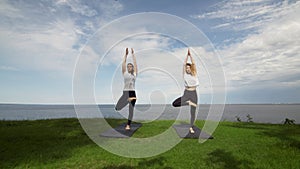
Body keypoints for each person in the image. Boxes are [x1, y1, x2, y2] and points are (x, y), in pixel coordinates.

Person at [172, 49, 199, 134]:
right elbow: (184, 64)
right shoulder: (185, 75)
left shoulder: (194, 73)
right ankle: (188, 103)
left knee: (193, 113)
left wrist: (191, 55)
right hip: (186, 94)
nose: (187, 69)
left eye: (188, 68)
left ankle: (191, 127)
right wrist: (186, 56)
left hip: (194, 94)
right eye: (186, 68)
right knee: (174, 104)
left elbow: (193, 63)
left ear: (191, 68)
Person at [115, 48, 138, 130]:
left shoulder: (134, 74)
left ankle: (128, 125)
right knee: (117, 108)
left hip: (132, 93)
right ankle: (129, 100)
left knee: (131, 111)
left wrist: (133, 54)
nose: (129, 67)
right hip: (125, 93)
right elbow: (123, 63)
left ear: (132, 68)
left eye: (130, 66)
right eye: (128, 66)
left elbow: (135, 64)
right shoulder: (125, 73)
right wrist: (126, 54)